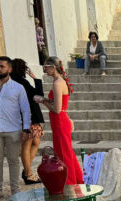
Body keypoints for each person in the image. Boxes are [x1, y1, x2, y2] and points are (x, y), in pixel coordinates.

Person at [0, 56, 31, 201]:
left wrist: (26, 128)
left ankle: (15, 189)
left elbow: (25, 109)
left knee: (13, 160)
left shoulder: (18, 87)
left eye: (1, 66)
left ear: (9, 69)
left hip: (13, 129)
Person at [35, 57, 84, 185]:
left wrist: (42, 101)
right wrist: (45, 99)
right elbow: (60, 105)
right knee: (67, 152)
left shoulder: (57, 83)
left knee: (63, 154)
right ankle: (77, 179)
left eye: (46, 67)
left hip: (60, 122)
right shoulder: (59, 81)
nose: (45, 69)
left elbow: (57, 109)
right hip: (60, 121)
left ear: (53, 67)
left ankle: (69, 183)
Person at [10, 59, 44, 184]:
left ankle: (26, 171)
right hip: (27, 117)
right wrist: (35, 78)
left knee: (36, 142)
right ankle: (28, 174)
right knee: (27, 144)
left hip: (26, 117)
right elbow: (38, 95)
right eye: (24, 67)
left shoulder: (13, 81)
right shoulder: (21, 82)